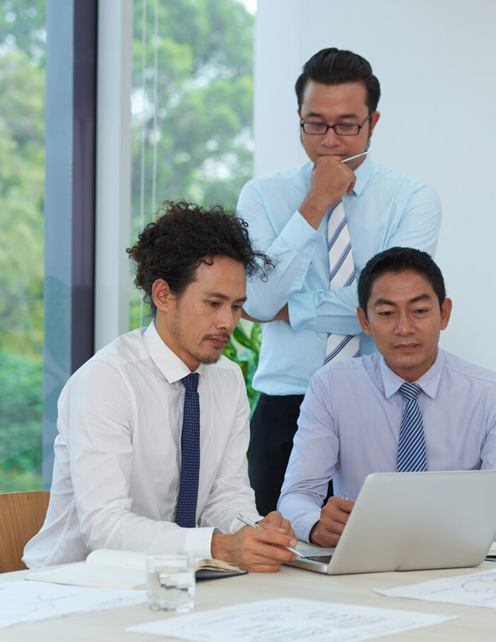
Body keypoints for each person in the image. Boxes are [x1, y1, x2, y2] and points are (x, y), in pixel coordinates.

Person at [24, 202, 297, 573]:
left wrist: (253, 532)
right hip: (73, 584)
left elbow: (226, 497)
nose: (226, 323)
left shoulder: (227, 379)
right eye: (213, 303)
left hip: (179, 581)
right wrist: (217, 546)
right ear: (163, 295)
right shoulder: (107, 380)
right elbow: (104, 527)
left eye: (235, 307)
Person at [238, 48, 442, 514]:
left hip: (382, 404)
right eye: (315, 124)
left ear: (373, 121)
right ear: (299, 118)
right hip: (285, 407)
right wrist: (314, 204)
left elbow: (392, 307)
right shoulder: (263, 196)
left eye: (347, 125)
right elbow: (261, 298)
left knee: (386, 552)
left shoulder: (412, 199)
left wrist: (295, 310)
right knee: (277, 561)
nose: (330, 141)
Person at [278, 247, 496, 546]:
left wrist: (425, 532)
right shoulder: (332, 387)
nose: (404, 328)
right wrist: (316, 526)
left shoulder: (495, 396)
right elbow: (297, 496)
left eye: (420, 311)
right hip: (363, 560)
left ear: (445, 314)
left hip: (458, 564)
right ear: (364, 321)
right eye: (386, 313)